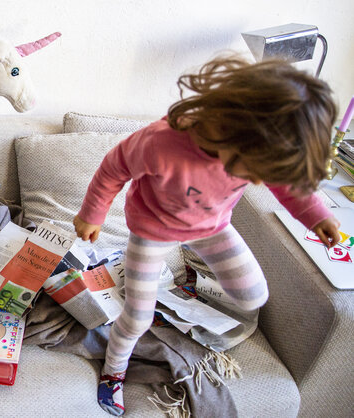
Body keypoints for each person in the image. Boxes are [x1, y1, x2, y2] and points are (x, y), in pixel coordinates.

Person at [72, 56, 341, 416]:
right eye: (254, 171)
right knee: (137, 317)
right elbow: (112, 169)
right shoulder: (161, 141)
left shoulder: (260, 150)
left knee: (253, 296)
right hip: (152, 232)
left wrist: (317, 215)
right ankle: (113, 372)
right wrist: (92, 214)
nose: (258, 182)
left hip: (212, 228)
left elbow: (287, 186)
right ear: (234, 128)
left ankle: (182, 295)